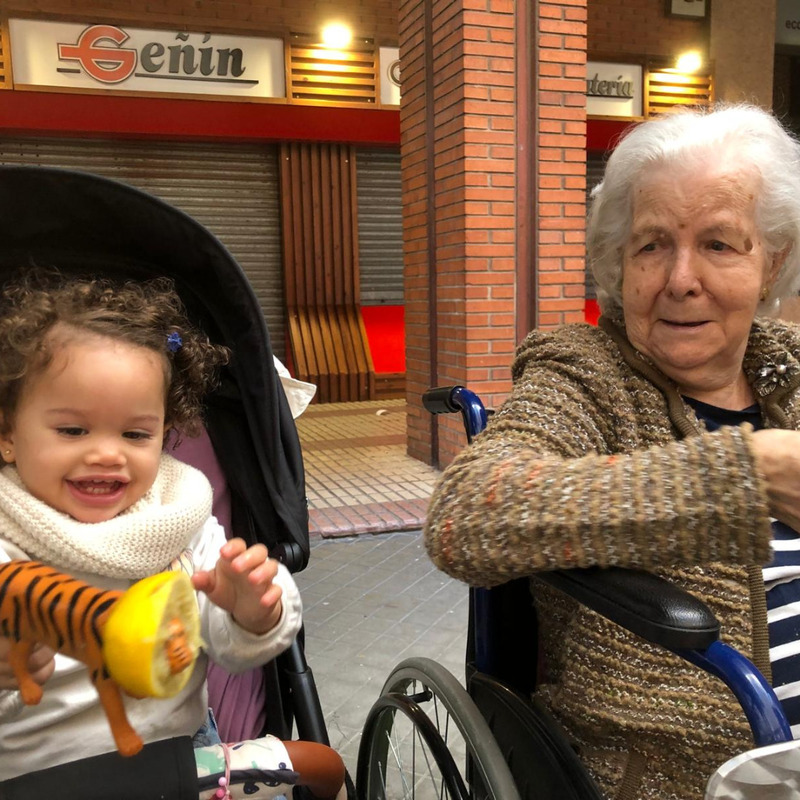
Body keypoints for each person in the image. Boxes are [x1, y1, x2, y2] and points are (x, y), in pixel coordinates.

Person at [425, 103, 800, 800]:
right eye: (652, 244)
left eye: (719, 244)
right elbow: (465, 516)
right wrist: (740, 478)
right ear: (619, 262)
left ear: (771, 261)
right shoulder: (586, 376)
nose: (680, 278)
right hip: (676, 775)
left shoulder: (791, 369)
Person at [0, 273, 344, 800]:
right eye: (72, 430)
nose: (107, 453)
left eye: (135, 434)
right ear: (7, 434)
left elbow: (232, 649)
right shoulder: (8, 537)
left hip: (182, 766)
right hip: (34, 778)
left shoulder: (177, 523)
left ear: (164, 433)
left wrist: (252, 612)